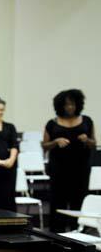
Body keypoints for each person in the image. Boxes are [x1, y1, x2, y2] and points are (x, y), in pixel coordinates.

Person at [42, 89, 96, 232]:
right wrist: (56, 142)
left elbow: (94, 143)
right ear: (60, 106)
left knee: (78, 200)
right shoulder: (52, 124)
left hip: (81, 168)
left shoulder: (87, 121)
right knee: (58, 200)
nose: (70, 107)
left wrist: (87, 139)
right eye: (66, 105)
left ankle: (78, 231)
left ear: (78, 104)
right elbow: (44, 145)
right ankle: (57, 233)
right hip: (59, 168)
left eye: (72, 104)